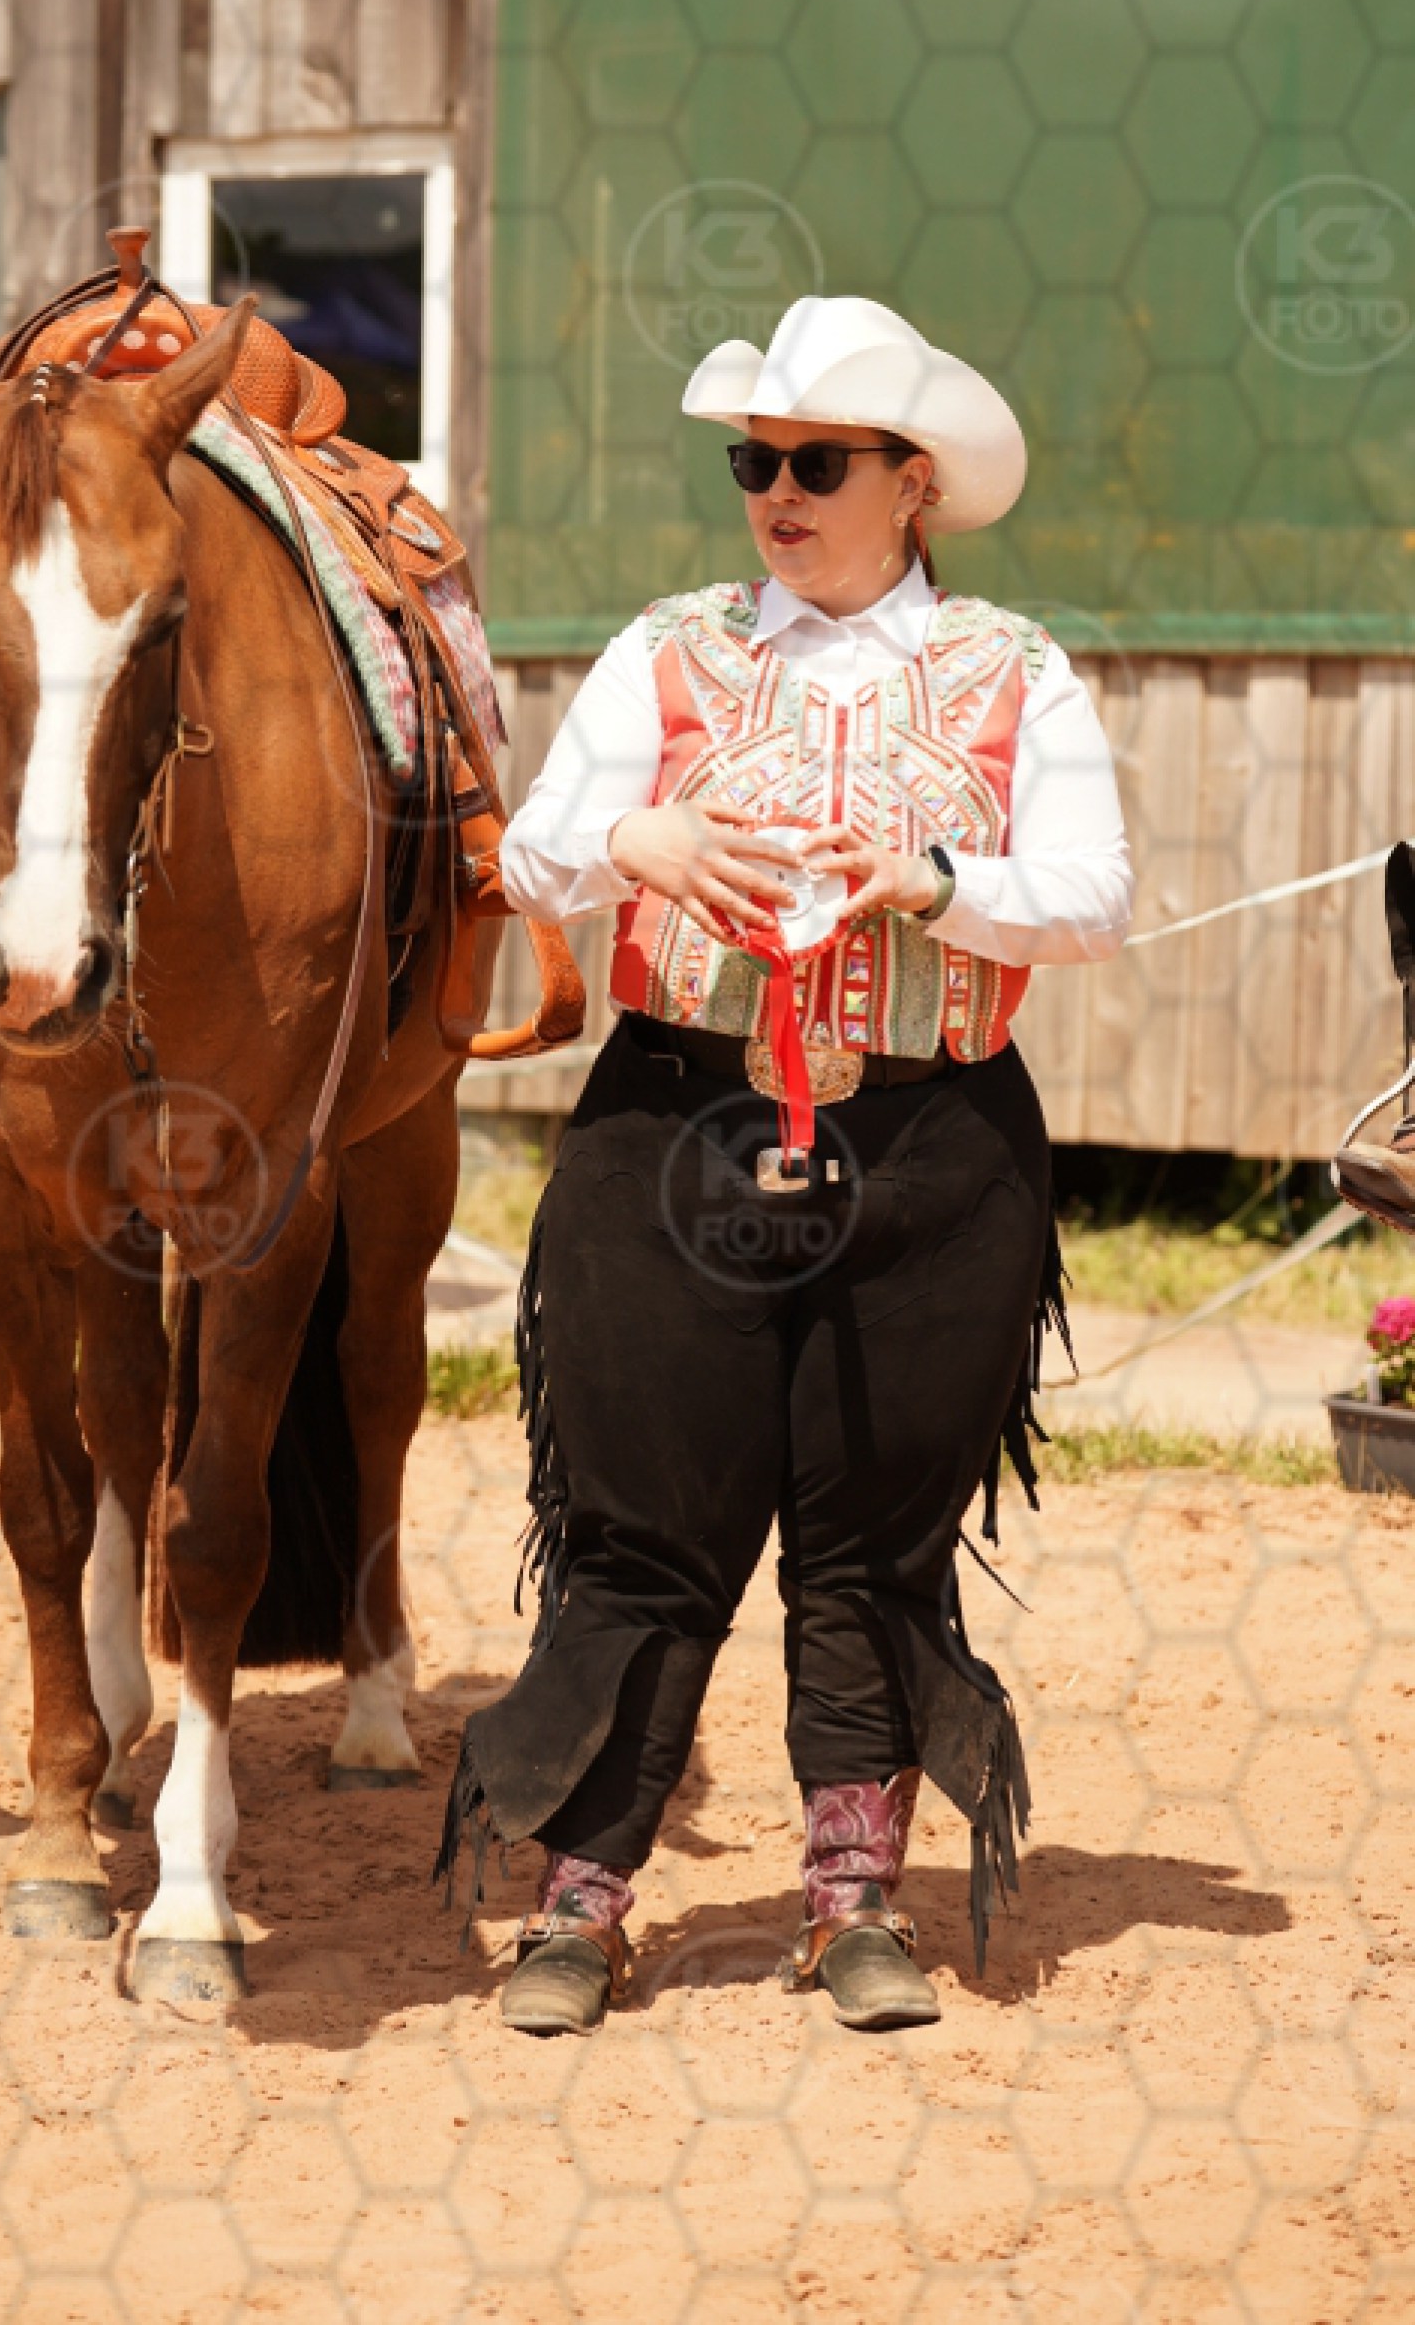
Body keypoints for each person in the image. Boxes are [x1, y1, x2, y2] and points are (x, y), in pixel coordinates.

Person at [437, 294, 1133, 2037]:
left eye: (818, 464)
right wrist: (641, 835)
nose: (777, 494)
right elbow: (529, 857)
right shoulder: (668, 649)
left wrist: (942, 887)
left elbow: (1097, 897)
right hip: (677, 1130)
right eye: (754, 463)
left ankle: (852, 1901)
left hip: (932, 1152)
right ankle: (579, 1906)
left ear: (915, 482)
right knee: (641, 1529)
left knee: (875, 1536)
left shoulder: (1015, 669)